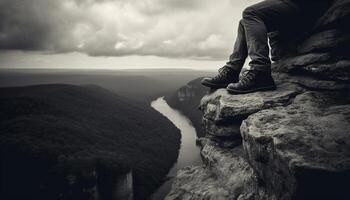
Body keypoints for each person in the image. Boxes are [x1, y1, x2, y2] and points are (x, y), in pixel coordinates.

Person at [201, 0, 333, 94]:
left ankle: (260, 72)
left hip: (309, 5)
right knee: (244, 22)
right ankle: (232, 71)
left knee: (250, 13)